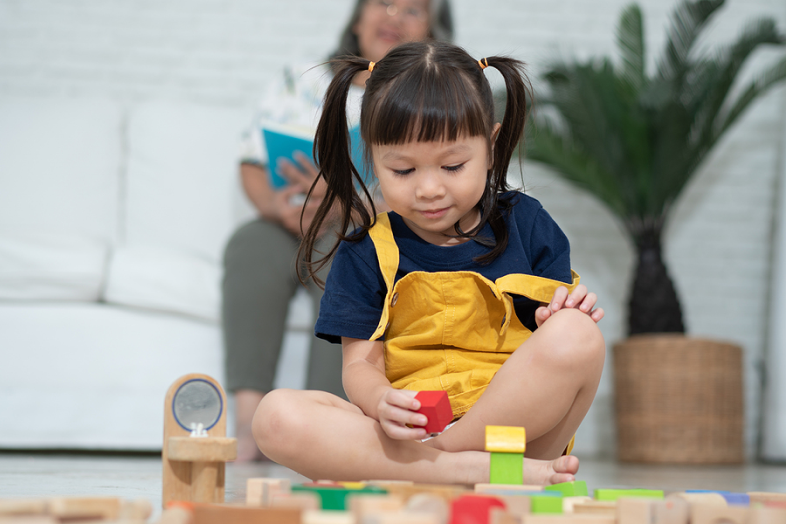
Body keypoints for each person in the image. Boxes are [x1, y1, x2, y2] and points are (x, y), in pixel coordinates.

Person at [250, 40, 606, 485]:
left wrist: (563, 315)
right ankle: (462, 472)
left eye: (453, 166)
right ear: (374, 159)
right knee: (276, 416)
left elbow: (550, 348)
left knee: (579, 335)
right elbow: (361, 365)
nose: (429, 189)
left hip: (515, 442)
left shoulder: (529, 224)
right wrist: (381, 401)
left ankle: (436, 465)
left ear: (491, 146)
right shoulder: (365, 251)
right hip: (413, 437)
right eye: (403, 171)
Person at [223, 0, 455, 461]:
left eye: (412, 10)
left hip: (362, 226)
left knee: (347, 254)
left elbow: (434, 184)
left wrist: (342, 203)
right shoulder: (301, 80)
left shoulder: (431, 96)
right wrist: (283, 209)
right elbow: (251, 163)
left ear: (432, 30)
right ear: (357, 16)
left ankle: (323, 422)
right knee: (249, 244)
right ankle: (249, 425)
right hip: (289, 221)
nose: (393, 17)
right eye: (383, 3)